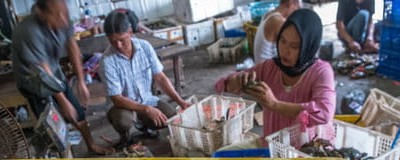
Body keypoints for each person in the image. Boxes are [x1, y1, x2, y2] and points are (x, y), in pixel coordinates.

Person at [215, 8, 335, 143]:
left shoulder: (322, 72)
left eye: (294, 46)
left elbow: (324, 113)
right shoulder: (270, 67)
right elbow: (222, 85)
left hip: (306, 154)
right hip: (272, 148)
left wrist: (274, 104)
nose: (285, 50)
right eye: (282, 41)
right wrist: (237, 82)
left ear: (309, 47)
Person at [12, 0, 112, 155]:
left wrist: (81, 81)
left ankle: (91, 145)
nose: (63, 19)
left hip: (54, 73)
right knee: (53, 124)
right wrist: (63, 101)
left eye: (64, 13)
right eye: (57, 14)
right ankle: (62, 157)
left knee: (78, 113)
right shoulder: (28, 31)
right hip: (33, 80)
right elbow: (43, 72)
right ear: (42, 13)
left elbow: (72, 47)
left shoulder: (62, 19)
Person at [100, 9, 190, 145]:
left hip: (147, 100)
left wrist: (180, 101)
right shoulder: (107, 61)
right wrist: (146, 109)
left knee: (171, 119)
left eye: (122, 40)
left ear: (130, 32)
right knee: (123, 120)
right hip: (124, 107)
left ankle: (144, 127)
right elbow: (117, 98)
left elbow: (160, 77)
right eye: (113, 41)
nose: (118, 45)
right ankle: (125, 136)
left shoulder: (145, 47)